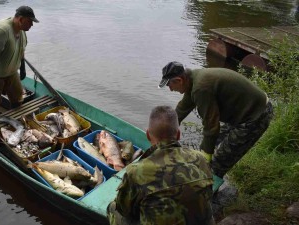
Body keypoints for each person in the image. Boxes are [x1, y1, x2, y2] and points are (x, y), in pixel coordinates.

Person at [158, 61, 273, 192]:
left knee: (217, 163)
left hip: (255, 116)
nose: (170, 89)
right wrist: (164, 132)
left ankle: (207, 198)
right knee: (213, 144)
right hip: (243, 112)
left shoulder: (201, 88)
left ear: (179, 80)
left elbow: (211, 125)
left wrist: (205, 156)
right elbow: (182, 109)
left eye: (169, 85)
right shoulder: (192, 79)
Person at [107, 105, 214, 225]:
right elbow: (209, 193)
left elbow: (124, 209)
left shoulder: (136, 171)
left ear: (148, 135)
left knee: (112, 208)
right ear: (178, 135)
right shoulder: (200, 159)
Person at [0, 5, 39, 116]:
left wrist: (22, 66)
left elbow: (21, 49)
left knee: (18, 95)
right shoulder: (2, 30)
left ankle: (18, 117)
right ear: (20, 19)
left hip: (10, 70)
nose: (32, 25)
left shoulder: (22, 31)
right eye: (30, 21)